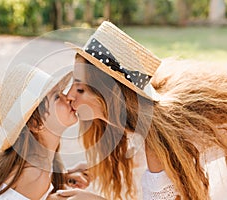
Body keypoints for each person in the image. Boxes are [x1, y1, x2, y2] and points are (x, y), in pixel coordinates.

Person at [52, 21, 227, 200]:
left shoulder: (156, 137)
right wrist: (93, 169)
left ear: (109, 95)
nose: (69, 94)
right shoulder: (135, 117)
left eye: (81, 88)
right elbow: (135, 153)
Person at [0, 64, 78, 200]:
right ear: (36, 124)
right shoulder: (35, 177)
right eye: (57, 97)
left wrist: (62, 181)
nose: (68, 97)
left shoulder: (31, 167)